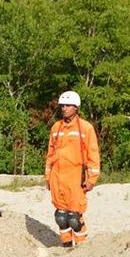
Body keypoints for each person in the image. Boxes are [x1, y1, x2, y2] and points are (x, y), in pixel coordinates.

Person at [45, 91, 100, 247]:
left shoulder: (85, 128)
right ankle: (67, 246)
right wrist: (48, 177)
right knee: (61, 216)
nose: (64, 108)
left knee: (74, 217)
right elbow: (50, 153)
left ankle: (81, 246)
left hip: (75, 177)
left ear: (76, 107)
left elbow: (93, 155)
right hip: (57, 177)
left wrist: (91, 180)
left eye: (68, 105)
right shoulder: (56, 127)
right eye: (62, 105)